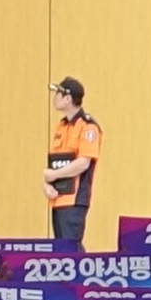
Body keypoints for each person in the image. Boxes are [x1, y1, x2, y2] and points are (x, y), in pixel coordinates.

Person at [44, 81, 103, 250]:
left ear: (68, 98)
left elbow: (83, 163)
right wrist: (47, 183)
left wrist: (54, 176)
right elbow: (54, 161)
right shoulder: (61, 126)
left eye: (58, 94)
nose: (54, 98)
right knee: (61, 249)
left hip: (75, 199)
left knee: (71, 248)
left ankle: (79, 277)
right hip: (58, 197)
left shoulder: (88, 127)